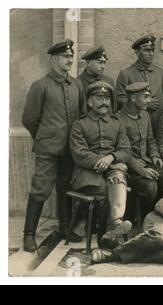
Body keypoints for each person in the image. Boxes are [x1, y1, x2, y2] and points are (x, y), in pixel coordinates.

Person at [21, 39, 85, 252]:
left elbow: (83, 115)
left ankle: (65, 227)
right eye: (65, 57)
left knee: (65, 186)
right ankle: (28, 234)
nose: (69, 60)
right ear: (54, 59)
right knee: (40, 188)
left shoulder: (76, 85)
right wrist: (45, 138)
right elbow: (29, 119)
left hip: (70, 149)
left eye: (71, 56)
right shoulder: (40, 86)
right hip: (48, 149)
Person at [69, 81, 132, 247]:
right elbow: (79, 154)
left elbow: (126, 151)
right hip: (85, 174)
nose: (105, 102)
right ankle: (103, 238)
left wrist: (111, 157)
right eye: (99, 97)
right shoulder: (79, 124)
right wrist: (106, 162)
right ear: (90, 102)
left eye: (107, 98)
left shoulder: (116, 123)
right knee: (105, 189)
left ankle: (115, 224)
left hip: (111, 170)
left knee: (118, 178)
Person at [116, 82, 163, 216]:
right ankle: (140, 218)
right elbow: (123, 152)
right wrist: (141, 170)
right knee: (150, 187)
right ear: (133, 98)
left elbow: (150, 140)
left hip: (147, 161)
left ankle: (161, 216)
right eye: (145, 97)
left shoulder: (145, 115)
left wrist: (155, 155)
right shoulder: (118, 120)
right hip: (128, 168)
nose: (149, 101)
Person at [115, 34, 163, 132]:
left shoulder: (161, 73)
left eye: (152, 50)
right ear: (137, 52)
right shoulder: (126, 73)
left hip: (158, 123)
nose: (150, 54)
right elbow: (120, 100)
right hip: (135, 125)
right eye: (146, 50)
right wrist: (143, 104)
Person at [77, 45, 116, 113]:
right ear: (88, 62)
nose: (103, 66)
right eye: (100, 62)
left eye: (104, 63)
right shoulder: (78, 82)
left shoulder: (109, 81)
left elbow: (114, 108)